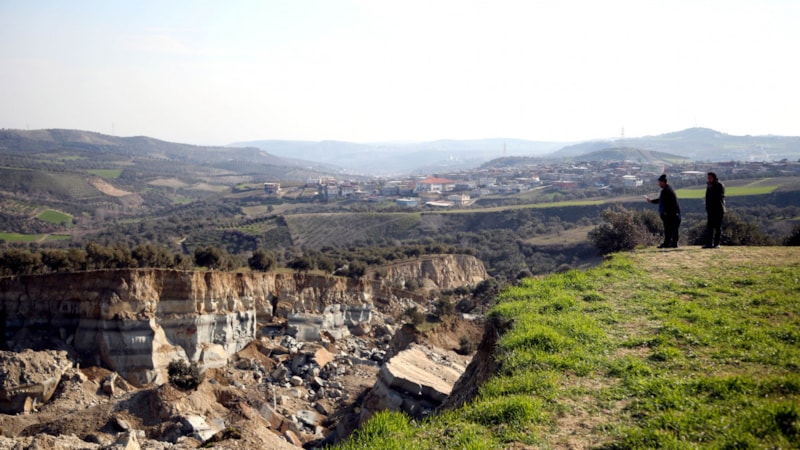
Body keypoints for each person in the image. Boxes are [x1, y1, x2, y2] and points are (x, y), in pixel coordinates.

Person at [646, 174, 681, 248]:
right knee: (671, 229)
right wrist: (651, 201)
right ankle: (672, 243)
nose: (659, 184)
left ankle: (668, 243)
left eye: (659, 183)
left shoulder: (666, 191)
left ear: (663, 182)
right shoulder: (667, 190)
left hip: (670, 214)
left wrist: (666, 212)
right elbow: (661, 200)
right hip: (672, 213)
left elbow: (668, 203)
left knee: (669, 229)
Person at [704, 172, 726, 248]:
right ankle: (709, 243)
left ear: (714, 178)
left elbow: (718, 197)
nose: (708, 179)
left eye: (710, 178)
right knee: (710, 227)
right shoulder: (709, 185)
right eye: (708, 178)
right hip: (711, 210)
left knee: (717, 227)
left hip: (718, 209)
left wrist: (711, 187)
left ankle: (717, 243)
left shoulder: (719, 185)